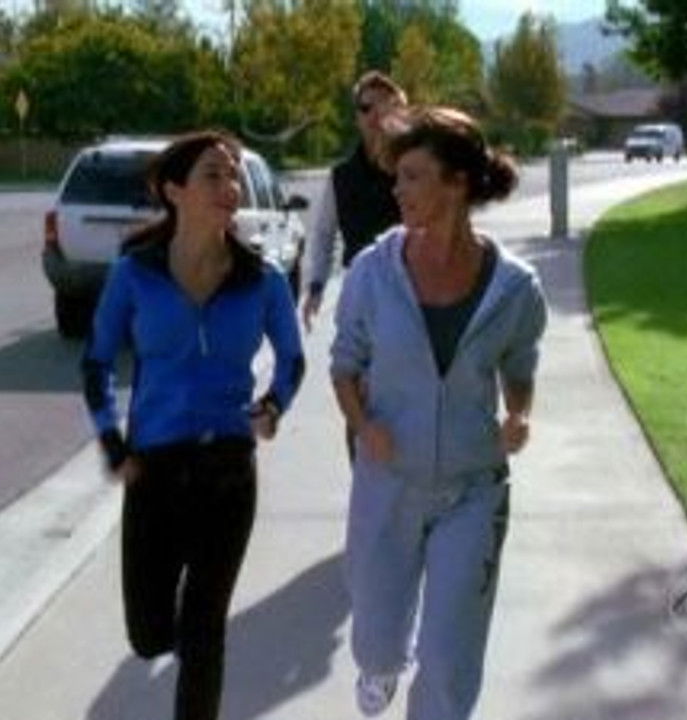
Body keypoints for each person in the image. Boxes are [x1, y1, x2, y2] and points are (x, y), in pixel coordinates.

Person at [329, 106, 547, 720]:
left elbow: (520, 366)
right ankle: (379, 667)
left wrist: (519, 414)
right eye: (397, 177)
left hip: (473, 489)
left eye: (412, 177)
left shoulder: (515, 288)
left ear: (456, 182)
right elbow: (344, 366)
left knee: (450, 658)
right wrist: (363, 426)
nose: (397, 190)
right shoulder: (373, 273)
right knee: (376, 637)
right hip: (388, 481)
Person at [81, 131, 305, 720]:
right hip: (154, 470)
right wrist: (112, 441)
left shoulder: (262, 278)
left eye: (234, 175)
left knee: (205, 632)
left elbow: (292, 358)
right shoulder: (135, 274)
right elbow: (96, 362)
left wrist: (273, 406)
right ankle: (176, 628)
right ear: (173, 190)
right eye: (213, 174)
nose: (230, 186)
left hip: (227, 471)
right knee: (150, 635)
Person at [301, 70, 408, 331]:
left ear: (400, 112)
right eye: (365, 108)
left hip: (411, 290)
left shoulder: (413, 169)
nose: (374, 115)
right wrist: (316, 287)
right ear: (357, 118)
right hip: (359, 292)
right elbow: (324, 234)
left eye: (383, 106)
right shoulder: (341, 176)